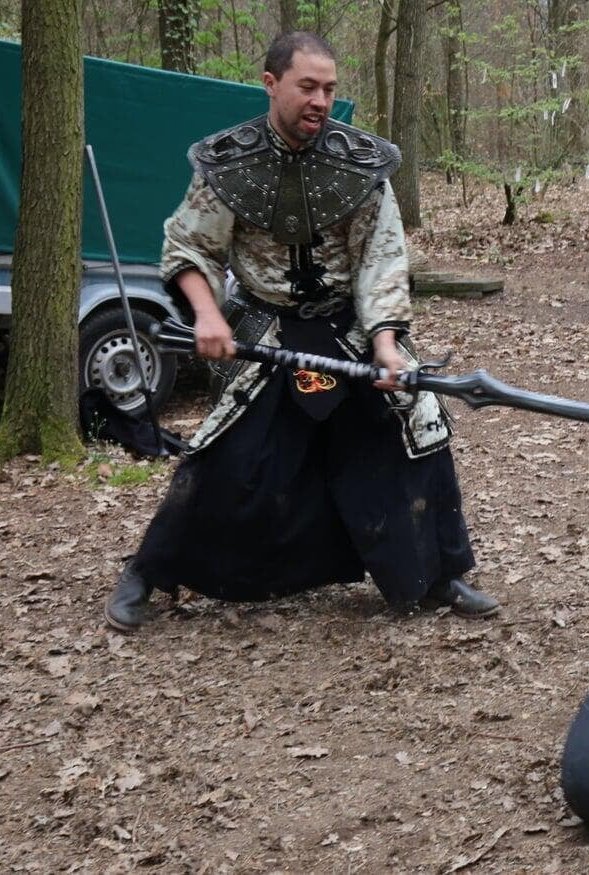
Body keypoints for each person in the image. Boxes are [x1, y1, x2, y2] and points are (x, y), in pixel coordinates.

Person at [103, 31, 498, 631]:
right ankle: (149, 572)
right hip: (268, 334)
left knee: (412, 433)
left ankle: (437, 574)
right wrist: (207, 314)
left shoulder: (361, 164)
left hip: (352, 331)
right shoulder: (228, 164)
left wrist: (386, 344)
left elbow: (382, 259)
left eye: (329, 89)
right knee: (229, 455)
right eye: (307, 87)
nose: (320, 101)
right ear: (271, 83)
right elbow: (190, 246)